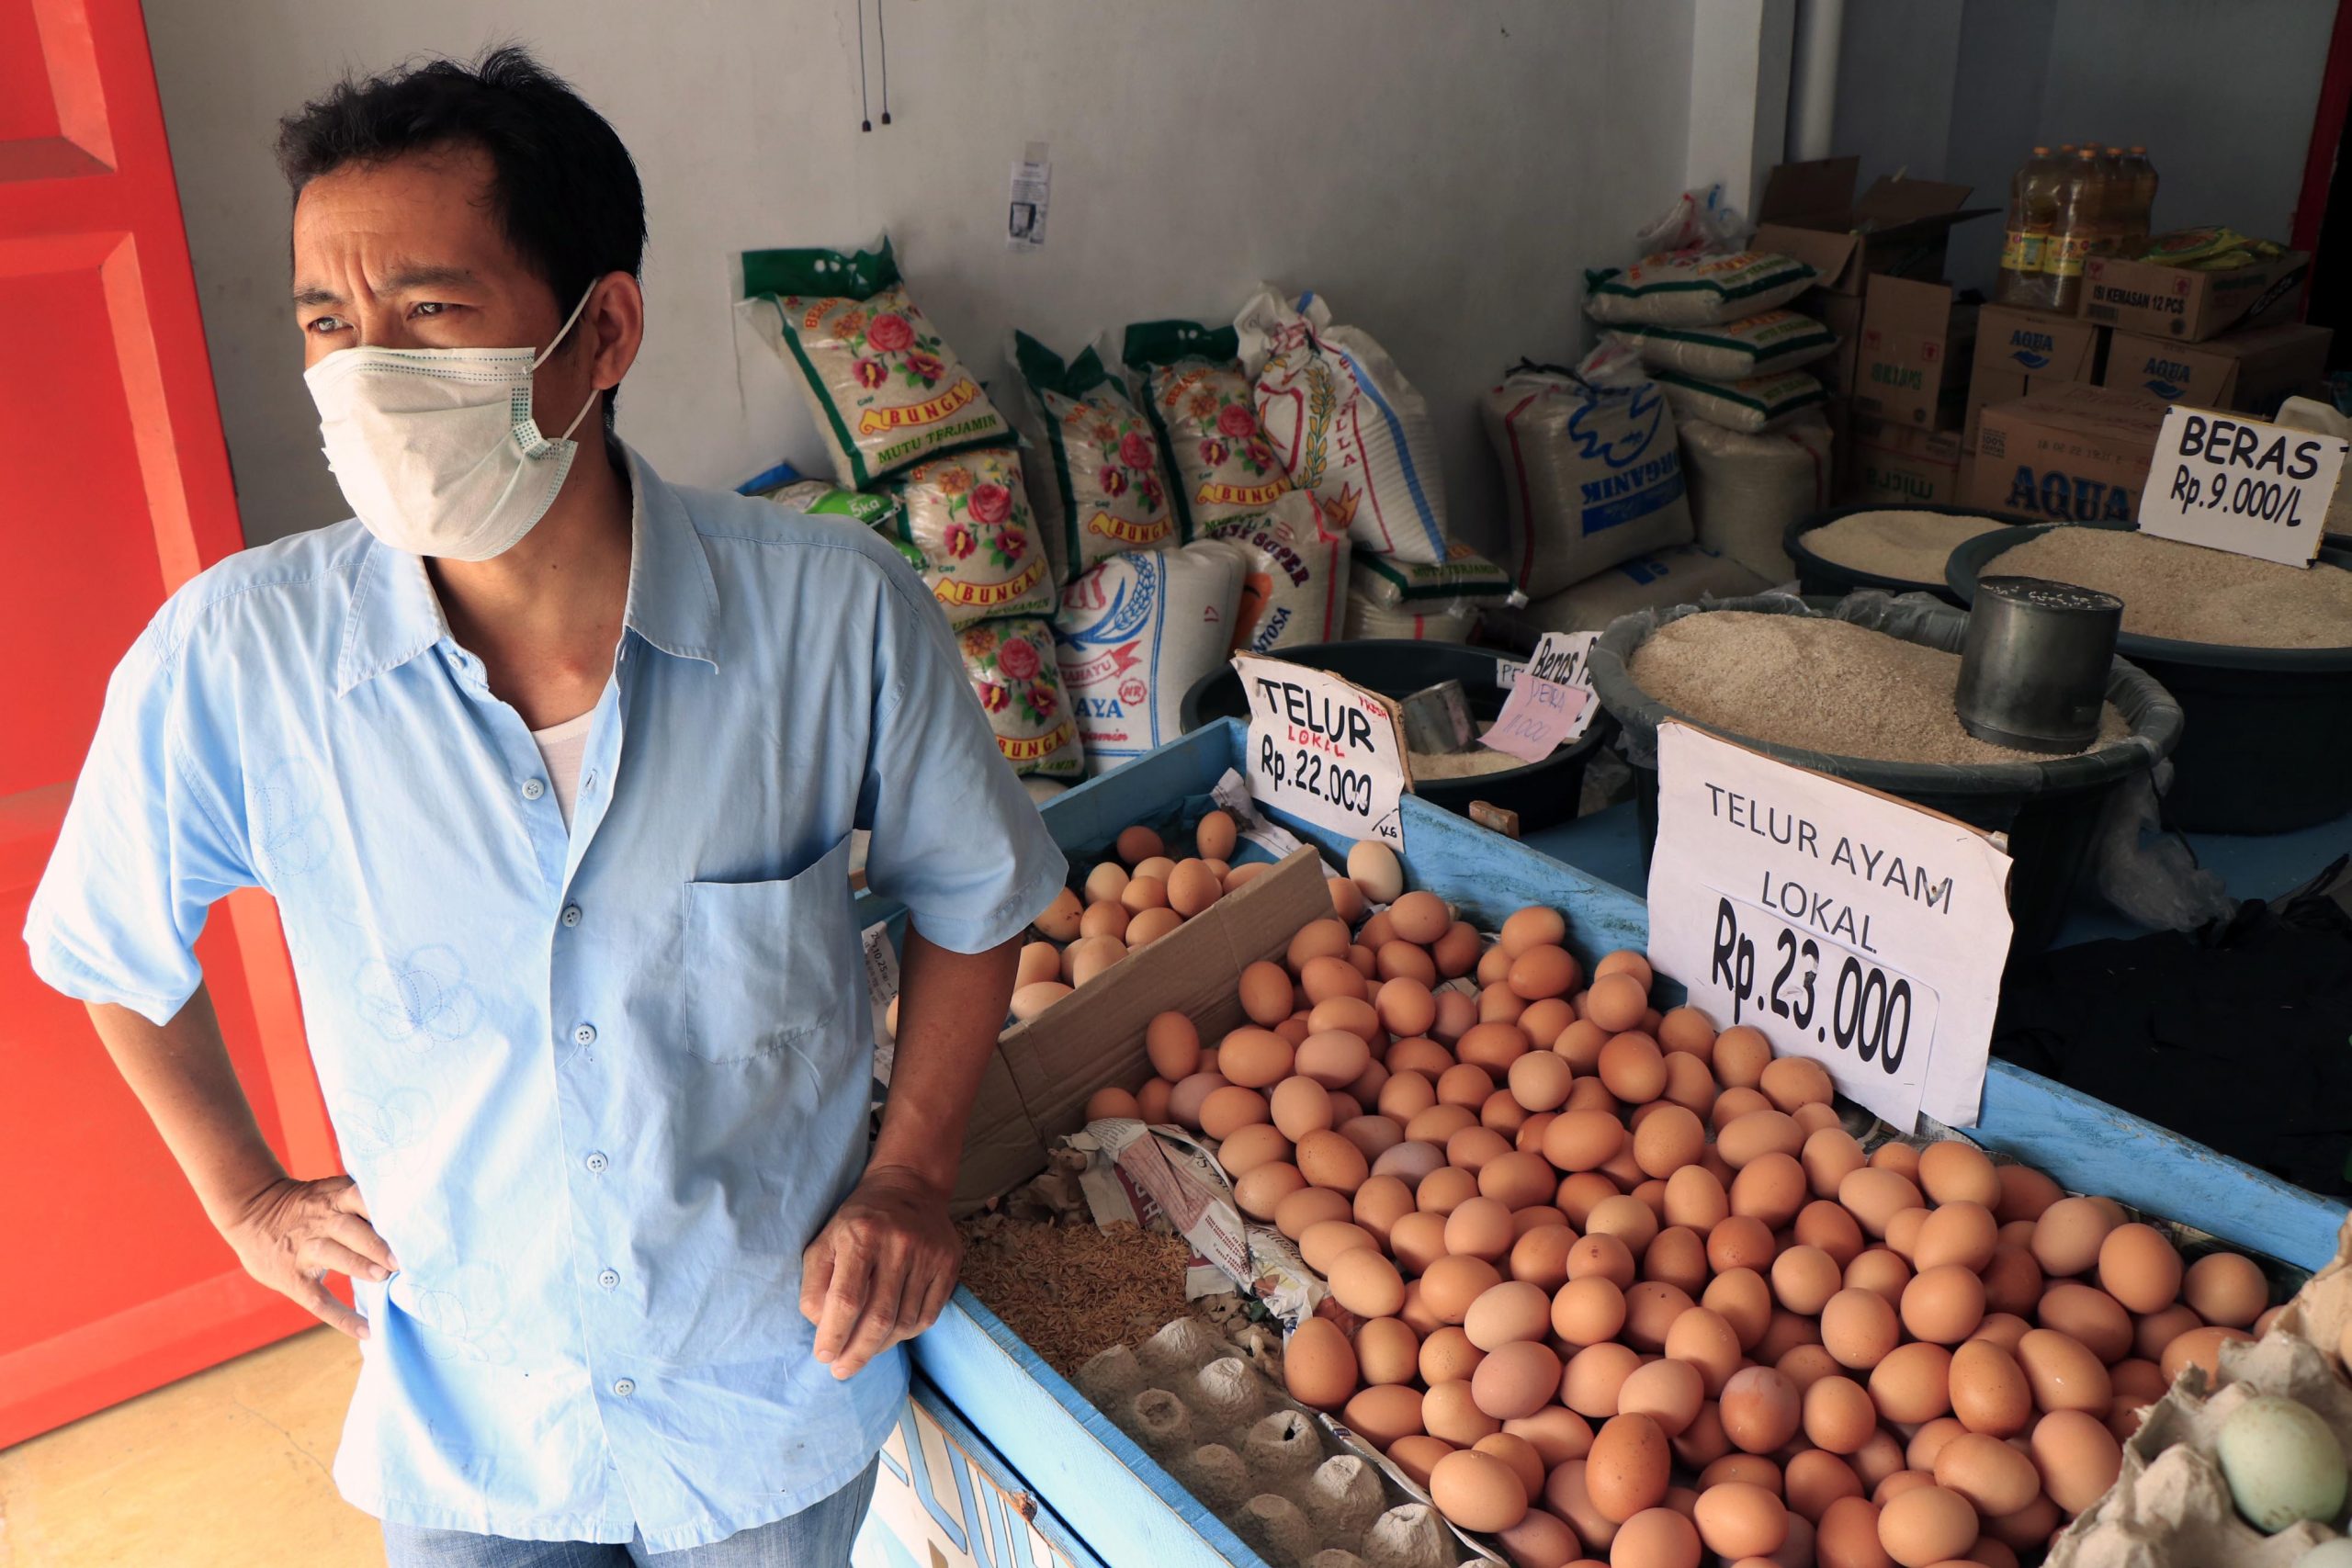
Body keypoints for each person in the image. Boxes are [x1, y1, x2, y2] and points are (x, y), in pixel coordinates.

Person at [23, 45, 1063, 1567]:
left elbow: (978, 902)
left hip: (764, 1403)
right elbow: (108, 948)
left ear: (603, 331)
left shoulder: (833, 618)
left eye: (431, 313)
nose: (367, 372)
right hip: (472, 1430)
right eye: (329, 322)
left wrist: (911, 1174)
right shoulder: (239, 660)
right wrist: (245, 1197)